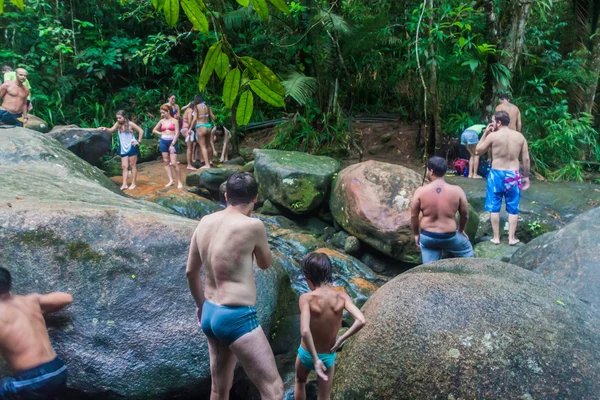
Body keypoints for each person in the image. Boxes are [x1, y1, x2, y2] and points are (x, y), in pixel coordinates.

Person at [186, 173, 284, 400]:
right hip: (237, 317)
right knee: (274, 390)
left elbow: (190, 272)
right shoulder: (254, 226)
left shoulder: (205, 222)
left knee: (219, 389)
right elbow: (265, 263)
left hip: (210, 313)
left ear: (226, 195)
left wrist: (201, 306)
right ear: (255, 198)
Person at [294, 252, 366, 400]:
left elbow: (305, 330)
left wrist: (314, 359)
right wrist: (341, 339)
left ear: (309, 278)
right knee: (324, 396)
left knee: (300, 381)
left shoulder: (306, 298)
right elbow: (361, 320)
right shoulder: (342, 297)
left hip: (307, 354)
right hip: (328, 356)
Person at [0, 267, 73, 398]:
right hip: (59, 370)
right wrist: (38, 311)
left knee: (5, 387)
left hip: (34, 381)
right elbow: (67, 298)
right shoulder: (30, 300)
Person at [476, 111, 530, 246]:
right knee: (513, 206)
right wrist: (526, 176)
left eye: (493, 121)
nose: (491, 124)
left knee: (494, 206)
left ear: (499, 122)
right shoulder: (519, 136)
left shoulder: (493, 136)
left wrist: (485, 133)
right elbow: (526, 158)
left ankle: (496, 238)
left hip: (496, 174)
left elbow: (477, 150)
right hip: (513, 174)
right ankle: (511, 238)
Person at [410, 156, 474, 264]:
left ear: (431, 171)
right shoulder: (457, 191)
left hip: (427, 237)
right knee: (467, 251)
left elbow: (413, 216)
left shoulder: (420, 191)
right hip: (449, 237)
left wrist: (416, 234)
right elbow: (465, 215)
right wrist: (461, 230)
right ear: (444, 171)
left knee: (429, 266)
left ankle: (429, 270)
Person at [100, 110, 144, 190]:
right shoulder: (118, 124)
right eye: (117, 118)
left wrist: (138, 141)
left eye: (120, 118)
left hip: (132, 146)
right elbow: (111, 130)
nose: (118, 119)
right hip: (123, 147)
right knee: (124, 166)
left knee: (132, 165)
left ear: (124, 117)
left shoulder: (130, 124)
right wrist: (105, 128)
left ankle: (133, 183)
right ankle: (124, 184)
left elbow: (141, 131)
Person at [152, 104, 183, 189]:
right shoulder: (162, 121)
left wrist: (172, 144)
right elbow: (154, 130)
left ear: (168, 112)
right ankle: (171, 180)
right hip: (163, 141)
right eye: (161, 113)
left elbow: (177, 133)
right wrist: (160, 133)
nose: (162, 114)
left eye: (163, 113)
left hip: (172, 141)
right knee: (166, 161)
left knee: (173, 162)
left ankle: (179, 181)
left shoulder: (174, 121)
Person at [194, 95, 216, 169]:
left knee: (203, 146)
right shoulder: (207, 106)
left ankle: (207, 164)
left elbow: (194, 119)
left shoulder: (196, 107)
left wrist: (190, 127)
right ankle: (210, 161)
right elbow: (214, 117)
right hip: (208, 126)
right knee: (208, 145)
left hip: (200, 127)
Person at [181, 97, 198, 171]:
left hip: (185, 129)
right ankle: (189, 165)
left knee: (189, 148)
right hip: (187, 130)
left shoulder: (187, 110)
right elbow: (190, 120)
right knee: (189, 148)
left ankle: (190, 163)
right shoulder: (190, 110)